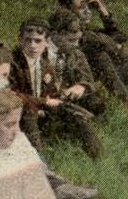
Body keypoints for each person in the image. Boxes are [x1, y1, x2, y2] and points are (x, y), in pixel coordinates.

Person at [8, 18, 101, 159]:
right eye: (28, 40)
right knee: (30, 114)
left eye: (38, 41)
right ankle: (40, 163)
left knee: (78, 116)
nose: (33, 46)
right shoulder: (12, 63)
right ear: (20, 40)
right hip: (19, 111)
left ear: (46, 42)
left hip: (40, 107)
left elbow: (50, 92)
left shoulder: (44, 62)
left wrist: (62, 97)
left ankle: (99, 157)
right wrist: (43, 102)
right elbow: (10, 95)